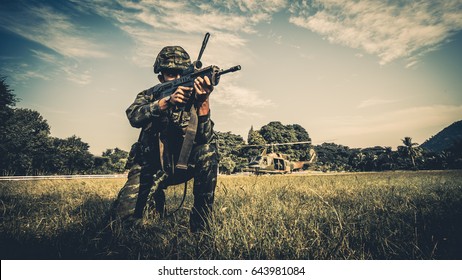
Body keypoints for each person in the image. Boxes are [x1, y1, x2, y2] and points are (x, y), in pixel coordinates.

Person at [112, 46, 219, 232]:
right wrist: (165, 103)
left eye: (183, 73)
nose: (178, 79)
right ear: (161, 77)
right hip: (149, 168)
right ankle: (155, 198)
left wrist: (203, 104)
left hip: (181, 166)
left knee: (208, 152)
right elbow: (133, 116)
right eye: (171, 74)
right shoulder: (149, 95)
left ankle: (201, 226)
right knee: (120, 224)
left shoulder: (195, 97)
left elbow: (205, 139)